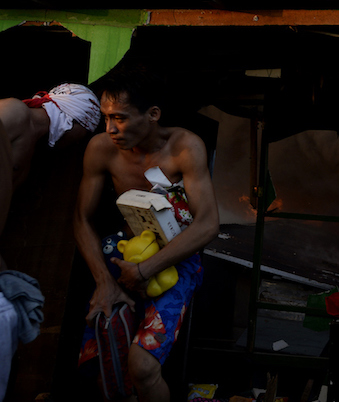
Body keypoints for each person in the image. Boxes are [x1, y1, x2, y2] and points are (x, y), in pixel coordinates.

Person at [73, 66, 219, 402]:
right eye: (106, 117)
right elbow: (82, 219)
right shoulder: (101, 149)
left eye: (120, 118)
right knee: (106, 363)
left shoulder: (184, 147)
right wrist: (104, 282)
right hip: (120, 259)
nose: (110, 128)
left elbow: (208, 224)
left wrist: (144, 271)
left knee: (141, 367)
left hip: (173, 259)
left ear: (153, 114)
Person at [0, 83, 101, 401]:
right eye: (84, 135)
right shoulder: (13, 110)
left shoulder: (30, 142)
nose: (77, 145)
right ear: (75, 122)